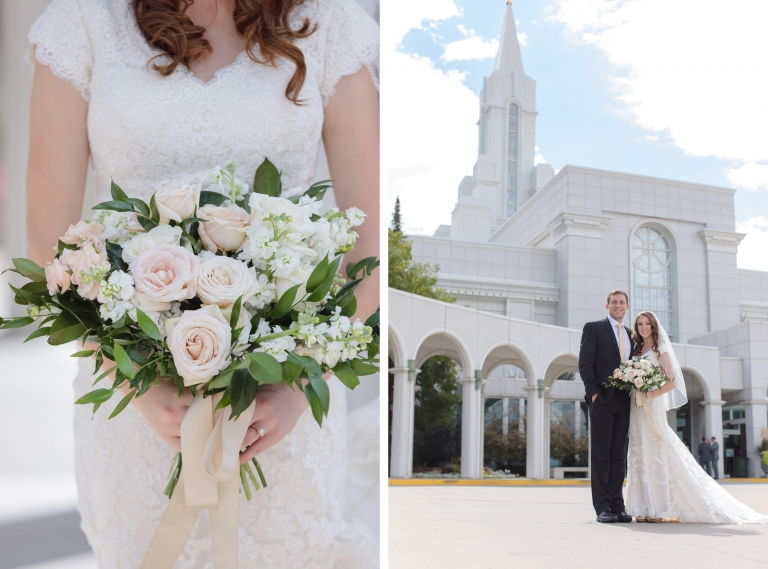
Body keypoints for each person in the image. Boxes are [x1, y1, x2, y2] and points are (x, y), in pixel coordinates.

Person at [26, 0, 380, 567]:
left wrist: (298, 384)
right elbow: (50, 243)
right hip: (134, 402)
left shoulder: (329, 25)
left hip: (282, 408)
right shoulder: (82, 25)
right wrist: (134, 380)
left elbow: (372, 255)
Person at [625, 311, 768, 523]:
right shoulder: (636, 350)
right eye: (640, 324)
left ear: (653, 326)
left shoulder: (661, 350)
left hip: (651, 404)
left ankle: (658, 509)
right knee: (639, 450)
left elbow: (671, 382)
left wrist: (650, 394)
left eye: (647, 323)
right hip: (636, 408)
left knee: (657, 448)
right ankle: (641, 507)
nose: (643, 327)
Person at [578, 290, 633, 523]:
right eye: (614, 302)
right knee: (602, 455)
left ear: (627, 306)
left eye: (622, 302)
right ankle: (602, 507)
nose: (618, 306)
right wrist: (593, 393)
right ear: (607, 305)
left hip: (625, 400)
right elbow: (585, 362)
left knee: (619, 456)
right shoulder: (594, 328)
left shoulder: (630, 334)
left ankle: (617, 505)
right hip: (602, 399)